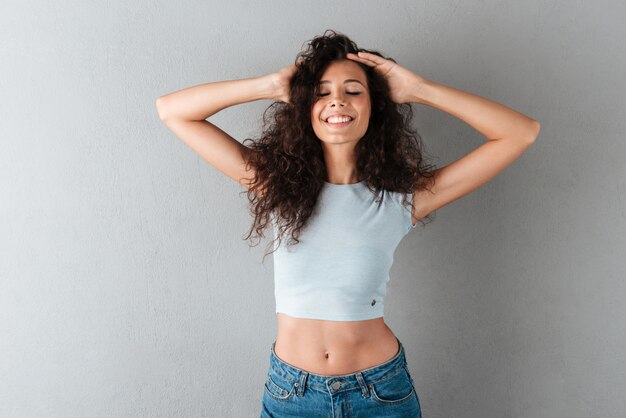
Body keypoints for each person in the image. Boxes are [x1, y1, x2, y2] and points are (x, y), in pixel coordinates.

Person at [156, 29, 540, 418]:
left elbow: (520, 133)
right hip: (292, 394)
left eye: (353, 90)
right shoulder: (275, 184)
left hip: (380, 392)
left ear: (376, 107)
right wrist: (270, 85)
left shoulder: (403, 198)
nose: (337, 99)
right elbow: (173, 111)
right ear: (304, 106)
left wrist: (419, 89)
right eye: (321, 92)